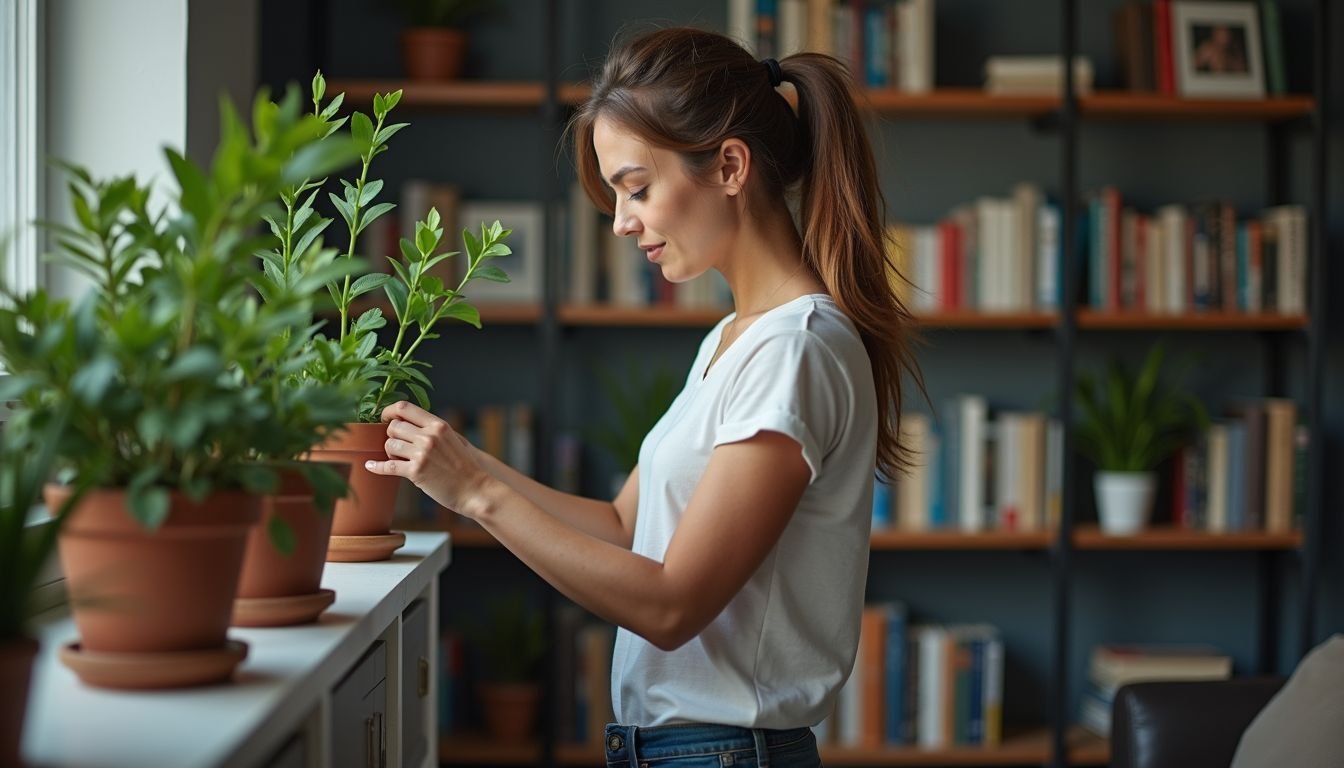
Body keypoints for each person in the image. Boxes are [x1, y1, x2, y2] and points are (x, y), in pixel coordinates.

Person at [366, 26, 922, 767]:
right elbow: (626, 527)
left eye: (637, 188)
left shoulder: (795, 349)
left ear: (729, 165)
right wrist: (466, 464)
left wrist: (476, 496)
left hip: (723, 753)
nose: (623, 221)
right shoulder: (733, 338)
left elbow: (671, 605)